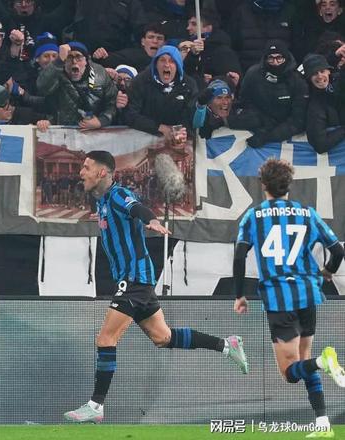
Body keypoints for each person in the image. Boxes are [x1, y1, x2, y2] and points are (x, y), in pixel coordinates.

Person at [64, 150, 249, 424]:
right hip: (135, 279)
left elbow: (137, 209)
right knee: (163, 337)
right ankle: (226, 345)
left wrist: (150, 220)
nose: (81, 172)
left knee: (105, 339)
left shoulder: (117, 194)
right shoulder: (101, 201)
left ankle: (95, 406)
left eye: (86, 167)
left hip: (134, 279)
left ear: (102, 172)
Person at [233, 158, 345, 438]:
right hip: (308, 294)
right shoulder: (307, 213)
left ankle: (323, 362)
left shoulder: (253, 216)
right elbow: (338, 251)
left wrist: (239, 295)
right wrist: (328, 272)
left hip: (278, 298)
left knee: (289, 373)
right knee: (304, 359)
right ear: (288, 185)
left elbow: (239, 255)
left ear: (263, 185)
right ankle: (323, 424)